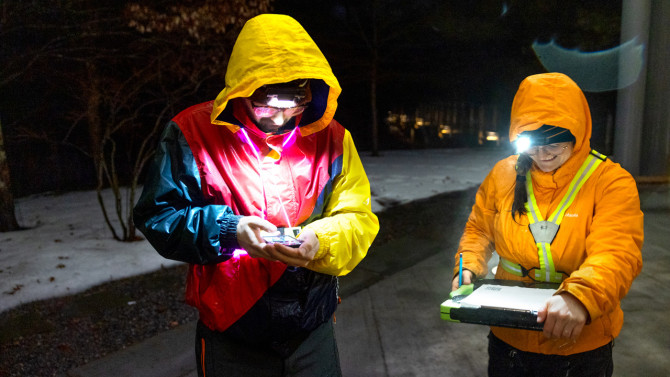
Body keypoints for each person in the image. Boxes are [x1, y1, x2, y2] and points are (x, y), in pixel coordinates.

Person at [134, 14, 379, 377]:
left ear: (309, 90)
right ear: (243, 89)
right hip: (231, 338)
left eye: (294, 104)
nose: (280, 119)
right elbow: (158, 215)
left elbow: (358, 218)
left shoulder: (334, 139)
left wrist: (319, 241)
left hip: (312, 333)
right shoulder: (192, 131)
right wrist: (230, 231)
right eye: (267, 105)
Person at [451, 72, 643, 376]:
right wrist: (468, 267)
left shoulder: (610, 181)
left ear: (577, 132)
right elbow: (479, 228)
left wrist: (581, 297)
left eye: (555, 142)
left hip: (580, 345)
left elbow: (617, 251)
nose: (543, 154)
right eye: (532, 143)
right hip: (509, 337)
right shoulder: (503, 174)